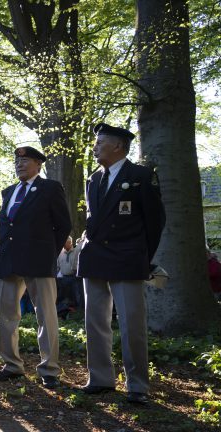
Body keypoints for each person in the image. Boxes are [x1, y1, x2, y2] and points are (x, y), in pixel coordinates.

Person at [77, 123, 166, 404]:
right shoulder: (93, 179)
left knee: (131, 324)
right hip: (95, 258)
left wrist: (143, 256)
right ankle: (100, 378)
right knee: (95, 323)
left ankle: (137, 385)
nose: (95, 147)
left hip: (127, 258)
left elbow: (155, 222)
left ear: (118, 146)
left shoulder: (141, 175)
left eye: (100, 142)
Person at [0, 146, 71, 390]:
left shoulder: (50, 188)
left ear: (38, 164)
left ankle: (49, 369)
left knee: (45, 315)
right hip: (9, 261)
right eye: (17, 160)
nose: (19, 164)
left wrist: (48, 253)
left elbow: (63, 224)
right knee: (6, 316)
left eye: (25, 160)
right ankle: (11, 365)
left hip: (38, 261)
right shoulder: (9, 192)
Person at [56, 235, 81, 316]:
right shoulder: (60, 253)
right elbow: (58, 266)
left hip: (74, 278)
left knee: (75, 296)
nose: (63, 245)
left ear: (70, 243)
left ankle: (77, 313)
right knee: (64, 297)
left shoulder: (76, 252)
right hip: (63, 278)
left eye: (65, 243)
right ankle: (63, 312)